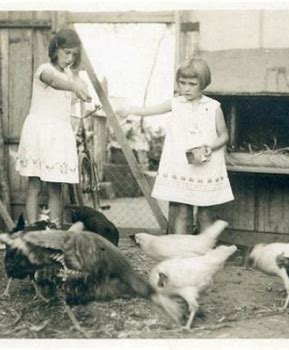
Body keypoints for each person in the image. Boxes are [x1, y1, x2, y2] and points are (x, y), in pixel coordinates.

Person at [117, 58, 234, 234]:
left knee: (205, 214)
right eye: (182, 83)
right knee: (182, 212)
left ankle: (203, 254)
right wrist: (129, 109)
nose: (185, 88)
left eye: (192, 84)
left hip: (206, 166)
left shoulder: (213, 107)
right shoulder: (175, 103)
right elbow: (149, 110)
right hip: (182, 166)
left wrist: (210, 147)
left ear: (202, 84)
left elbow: (224, 135)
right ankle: (180, 254)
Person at [16, 28, 91, 227]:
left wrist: (82, 92)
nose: (70, 58)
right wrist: (74, 86)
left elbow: (73, 103)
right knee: (34, 184)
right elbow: (54, 82)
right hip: (39, 131)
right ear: (56, 48)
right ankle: (31, 231)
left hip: (59, 133)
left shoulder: (71, 76)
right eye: (67, 53)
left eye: (74, 55)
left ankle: (55, 231)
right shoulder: (44, 70)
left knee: (57, 187)